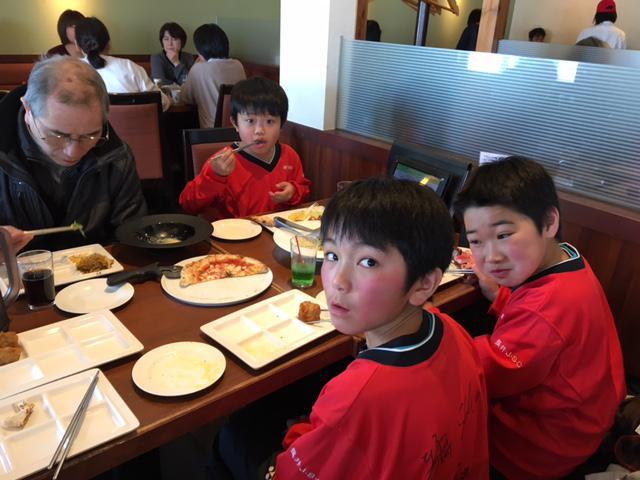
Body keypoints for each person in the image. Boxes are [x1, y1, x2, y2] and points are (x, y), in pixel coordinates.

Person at [216, 177, 489, 479]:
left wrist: (305, 432)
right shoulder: (451, 328)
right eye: (332, 255)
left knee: (231, 435)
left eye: (368, 262)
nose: (337, 280)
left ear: (424, 283)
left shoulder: (360, 396)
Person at [454, 157, 626, 479]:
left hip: (541, 449)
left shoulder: (543, 307)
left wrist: (435, 327)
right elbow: (542, 324)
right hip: (588, 419)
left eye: (503, 235)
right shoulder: (568, 259)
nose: (490, 257)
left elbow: (487, 374)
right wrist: (500, 295)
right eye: (476, 241)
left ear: (548, 222)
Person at [0, 56, 147, 251]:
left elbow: (131, 235)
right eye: (58, 135)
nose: (73, 152)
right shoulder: (5, 154)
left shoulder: (117, 157)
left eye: (90, 135)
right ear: (28, 109)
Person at [179, 76, 311, 219]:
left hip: (279, 230)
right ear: (235, 123)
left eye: (269, 121)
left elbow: (304, 191)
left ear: (281, 124)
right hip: (234, 232)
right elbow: (188, 204)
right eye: (250, 121)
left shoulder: (289, 156)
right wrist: (215, 176)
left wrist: (293, 192)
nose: (259, 130)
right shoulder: (221, 163)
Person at [75, 17, 171, 111]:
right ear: (109, 43)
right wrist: (168, 100)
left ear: (77, 46)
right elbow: (162, 102)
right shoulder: (130, 67)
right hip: (136, 121)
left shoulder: (72, 72)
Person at [179, 23, 246, 128]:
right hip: (239, 130)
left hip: (211, 134)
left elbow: (185, 98)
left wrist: (195, 66)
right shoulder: (238, 65)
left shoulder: (198, 69)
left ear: (201, 50)